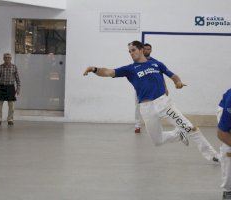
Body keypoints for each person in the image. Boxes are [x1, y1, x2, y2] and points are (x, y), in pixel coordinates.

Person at [83, 40, 219, 162]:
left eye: (133, 50)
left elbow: (173, 75)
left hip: (164, 104)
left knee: (190, 128)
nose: (131, 53)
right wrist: (94, 69)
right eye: (129, 51)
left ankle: (213, 155)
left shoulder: (156, 64)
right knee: (157, 141)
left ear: (141, 49)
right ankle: (178, 134)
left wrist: (178, 82)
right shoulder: (130, 69)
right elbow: (107, 72)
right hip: (146, 108)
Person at [134, 43, 169, 134]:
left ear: (151, 50)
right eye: (145, 49)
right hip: (141, 90)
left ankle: (154, 126)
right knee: (138, 107)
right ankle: (137, 125)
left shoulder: (155, 62)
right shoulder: (137, 61)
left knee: (155, 108)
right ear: (142, 50)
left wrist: (165, 87)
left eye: (148, 49)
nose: (146, 50)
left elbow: (160, 75)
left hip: (154, 90)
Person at [0, 53, 21, 125]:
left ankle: (10, 119)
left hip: (11, 87)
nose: (7, 59)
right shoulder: (0, 67)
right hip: (1, 87)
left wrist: (18, 88)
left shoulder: (14, 67)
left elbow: (18, 79)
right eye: (6, 57)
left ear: (11, 59)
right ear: (3, 58)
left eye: (9, 57)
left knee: (11, 105)